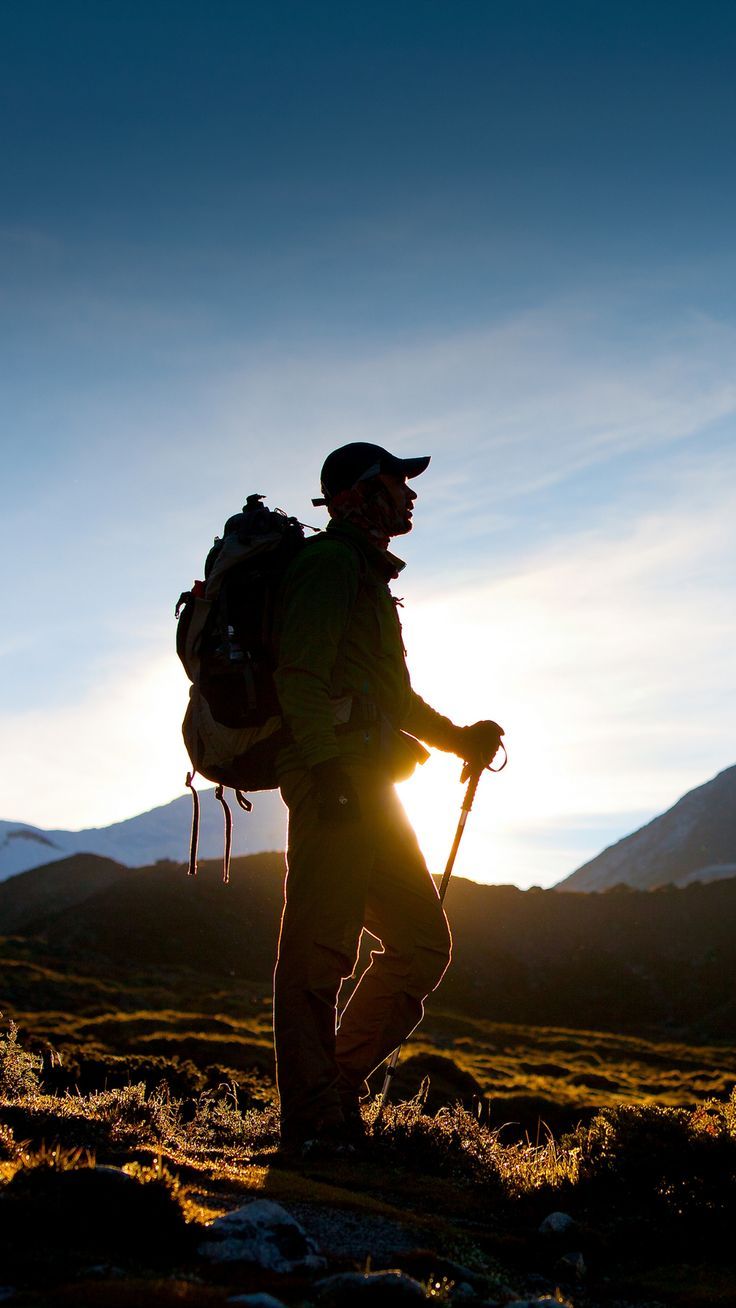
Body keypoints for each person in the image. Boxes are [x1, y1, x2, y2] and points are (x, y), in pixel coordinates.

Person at [272, 442, 503, 1149]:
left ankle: (334, 1097)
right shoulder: (329, 566)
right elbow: (298, 676)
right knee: (319, 951)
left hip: (370, 787)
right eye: (394, 482)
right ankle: (313, 1123)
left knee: (422, 943)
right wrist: (330, 773)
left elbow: (392, 697)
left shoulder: (366, 579)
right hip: (337, 784)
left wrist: (460, 739)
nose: (408, 495)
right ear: (354, 496)